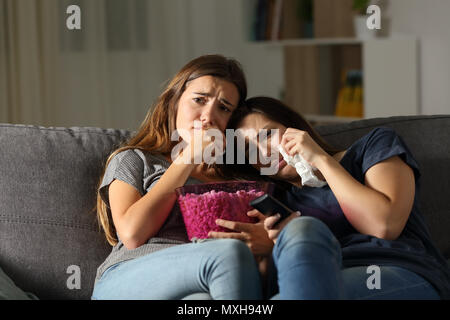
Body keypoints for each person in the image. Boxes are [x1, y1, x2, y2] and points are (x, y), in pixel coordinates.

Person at [209, 96, 450, 300]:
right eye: (251, 151)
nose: (265, 153)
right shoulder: (279, 201)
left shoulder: (373, 147)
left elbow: (384, 225)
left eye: (267, 135)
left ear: (293, 126)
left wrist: (321, 160)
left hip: (394, 269)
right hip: (315, 277)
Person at [91, 55, 263, 300]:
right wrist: (189, 157)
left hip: (202, 284)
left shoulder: (239, 179)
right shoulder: (136, 159)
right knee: (228, 253)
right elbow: (132, 234)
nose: (208, 116)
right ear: (174, 101)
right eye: (199, 100)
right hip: (128, 277)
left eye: (223, 108)